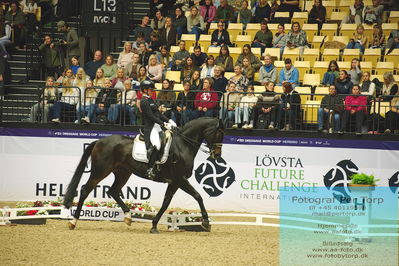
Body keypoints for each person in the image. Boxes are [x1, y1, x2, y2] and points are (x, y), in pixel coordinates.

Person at [140, 80, 176, 179]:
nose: (152, 91)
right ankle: (150, 169)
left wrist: (169, 120)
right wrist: (163, 123)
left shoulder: (151, 100)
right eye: (151, 89)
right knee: (157, 145)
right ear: (145, 90)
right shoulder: (143, 101)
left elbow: (158, 114)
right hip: (150, 128)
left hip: (157, 126)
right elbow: (150, 116)